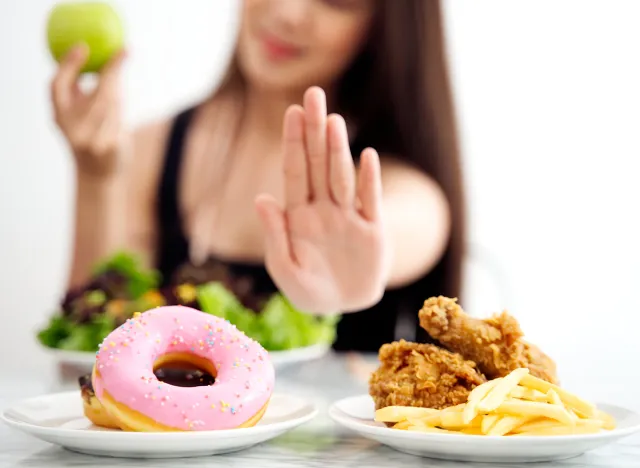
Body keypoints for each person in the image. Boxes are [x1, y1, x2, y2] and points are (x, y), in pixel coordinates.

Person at [50, 0, 465, 352]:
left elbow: (414, 222)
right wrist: (95, 179)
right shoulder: (146, 150)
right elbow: (90, 344)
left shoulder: (399, 187)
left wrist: (355, 266)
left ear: (383, 29)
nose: (287, 12)